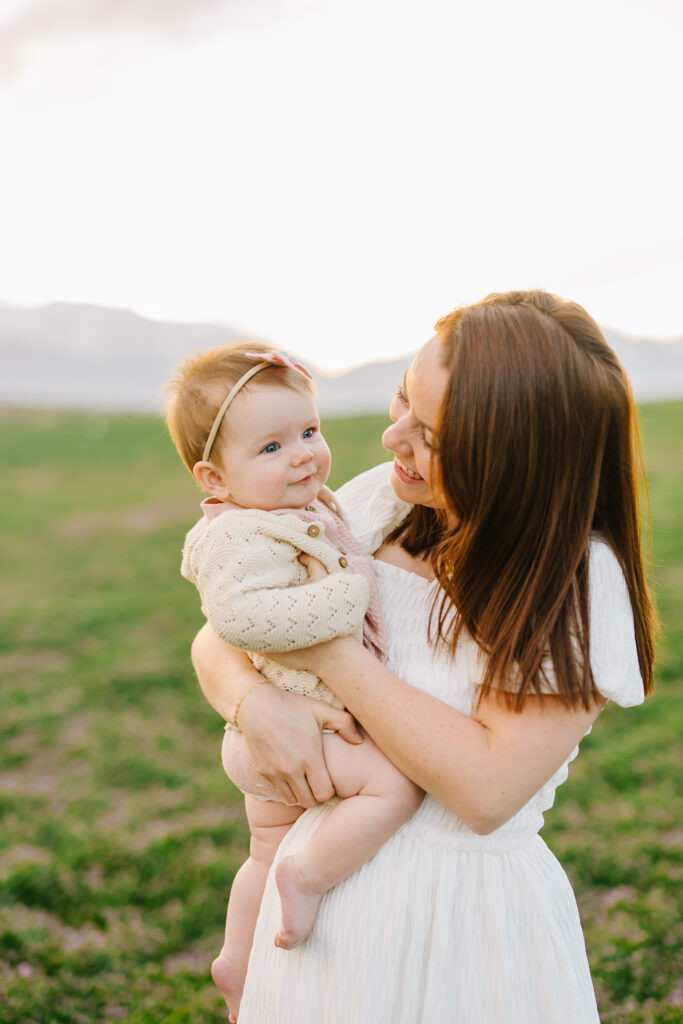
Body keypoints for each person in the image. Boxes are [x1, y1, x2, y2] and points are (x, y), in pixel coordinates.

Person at [191, 290, 656, 1023]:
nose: (391, 440)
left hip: (459, 931)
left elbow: (485, 791)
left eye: (431, 435)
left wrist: (334, 658)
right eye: (401, 402)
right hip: (312, 937)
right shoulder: (379, 502)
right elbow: (221, 633)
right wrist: (253, 704)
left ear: (514, 461)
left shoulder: (575, 583)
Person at [165, 343, 422, 1022]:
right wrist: (343, 595)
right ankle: (309, 877)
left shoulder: (293, 508)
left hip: (281, 725)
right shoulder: (236, 536)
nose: (304, 454)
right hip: (289, 725)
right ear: (215, 479)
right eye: (273, 447)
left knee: (262, 847)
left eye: (308, 432)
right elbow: (239, 618)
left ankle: (238, 962)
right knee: (394, 783)